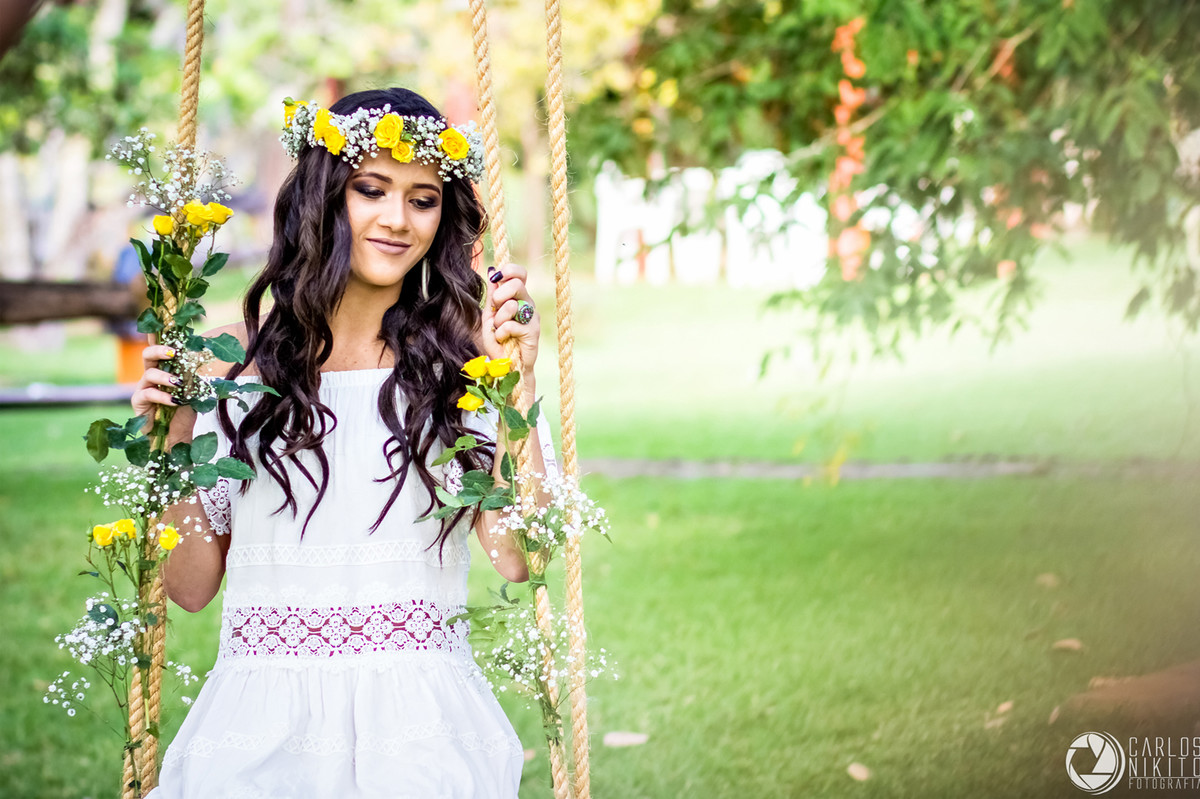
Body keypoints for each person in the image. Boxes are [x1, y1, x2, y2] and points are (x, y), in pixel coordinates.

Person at [134, 87, 555, 798]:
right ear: (325, 198)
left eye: (423, 199)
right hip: (257, 730)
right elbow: (190, 586)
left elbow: (521, 557)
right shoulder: (234, 373)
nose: (397, 219)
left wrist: (515, 390)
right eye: (371, 189)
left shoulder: (473, 372)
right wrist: (175, 431)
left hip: (420, 734)